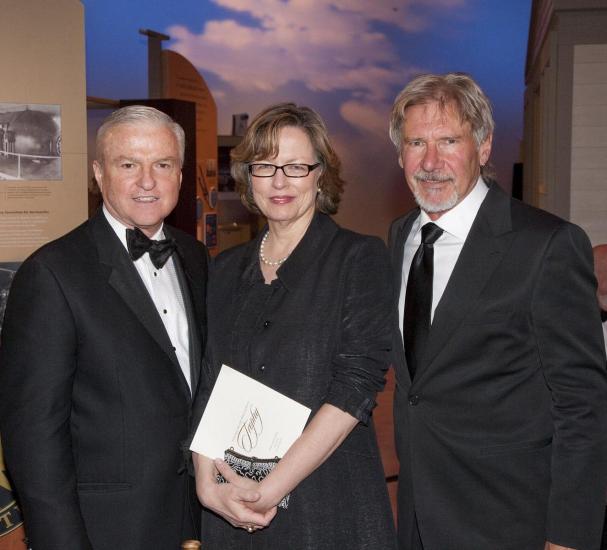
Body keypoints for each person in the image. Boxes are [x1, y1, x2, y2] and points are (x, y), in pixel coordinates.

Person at [388, 73, 607, 550]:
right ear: (400, 153)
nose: (430, 161)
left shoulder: (546, 246)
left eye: (449, 141)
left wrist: (568, 538)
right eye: (416, 143)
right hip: (417, 521)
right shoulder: (398, 238)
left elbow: (583, 405)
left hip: (510, 524)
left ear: (483, 148)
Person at [0, 105, 208, 549]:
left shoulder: (196, 258)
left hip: (200, 515)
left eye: (163, 164)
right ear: (98, 173)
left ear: (181, 173)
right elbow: (34, 438)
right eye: (128, 164)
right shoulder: (52, 274)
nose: (147, 181)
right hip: (108, 529)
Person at [192, 102, 397, 549]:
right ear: (248, 177)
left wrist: (269, 490)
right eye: (265, 166)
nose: (280, 181)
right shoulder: (225, 270)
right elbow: (211, 382)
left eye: (296, 166)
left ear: (320, 174)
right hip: (232, 502)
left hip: (326, 505)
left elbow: (354, 389)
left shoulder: (358, 259)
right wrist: (206, 484)